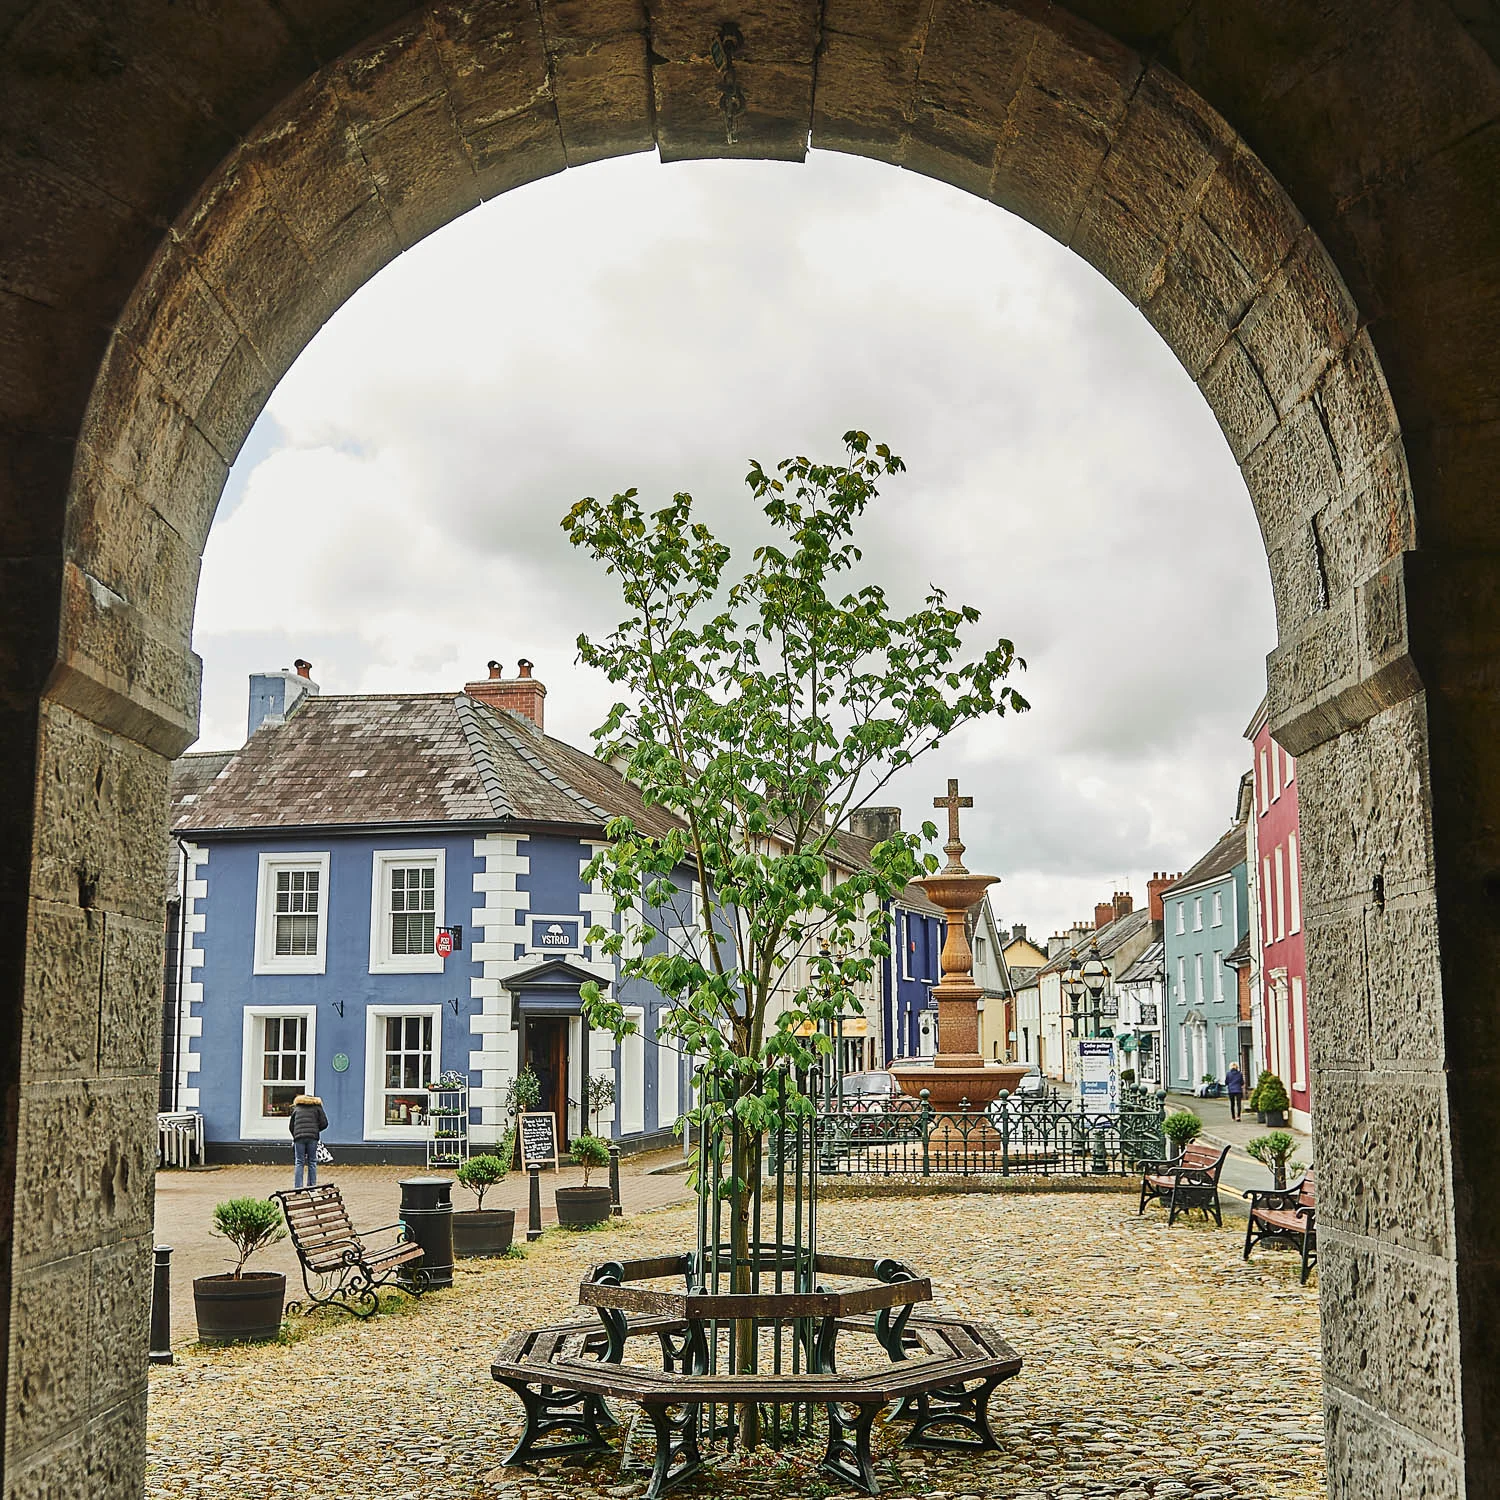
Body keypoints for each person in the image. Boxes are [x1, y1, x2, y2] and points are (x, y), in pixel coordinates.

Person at [289, 1093, 328, 1188]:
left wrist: (295, 1135)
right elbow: (324, 1123)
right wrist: (315, 1130)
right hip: (312, 1138)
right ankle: (312, 1186)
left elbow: (291, 1126)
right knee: (312, 1161)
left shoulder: (297, 1108)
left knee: (299, 1161)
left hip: (299, 1138)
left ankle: (298, 1187)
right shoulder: (317, 1107)